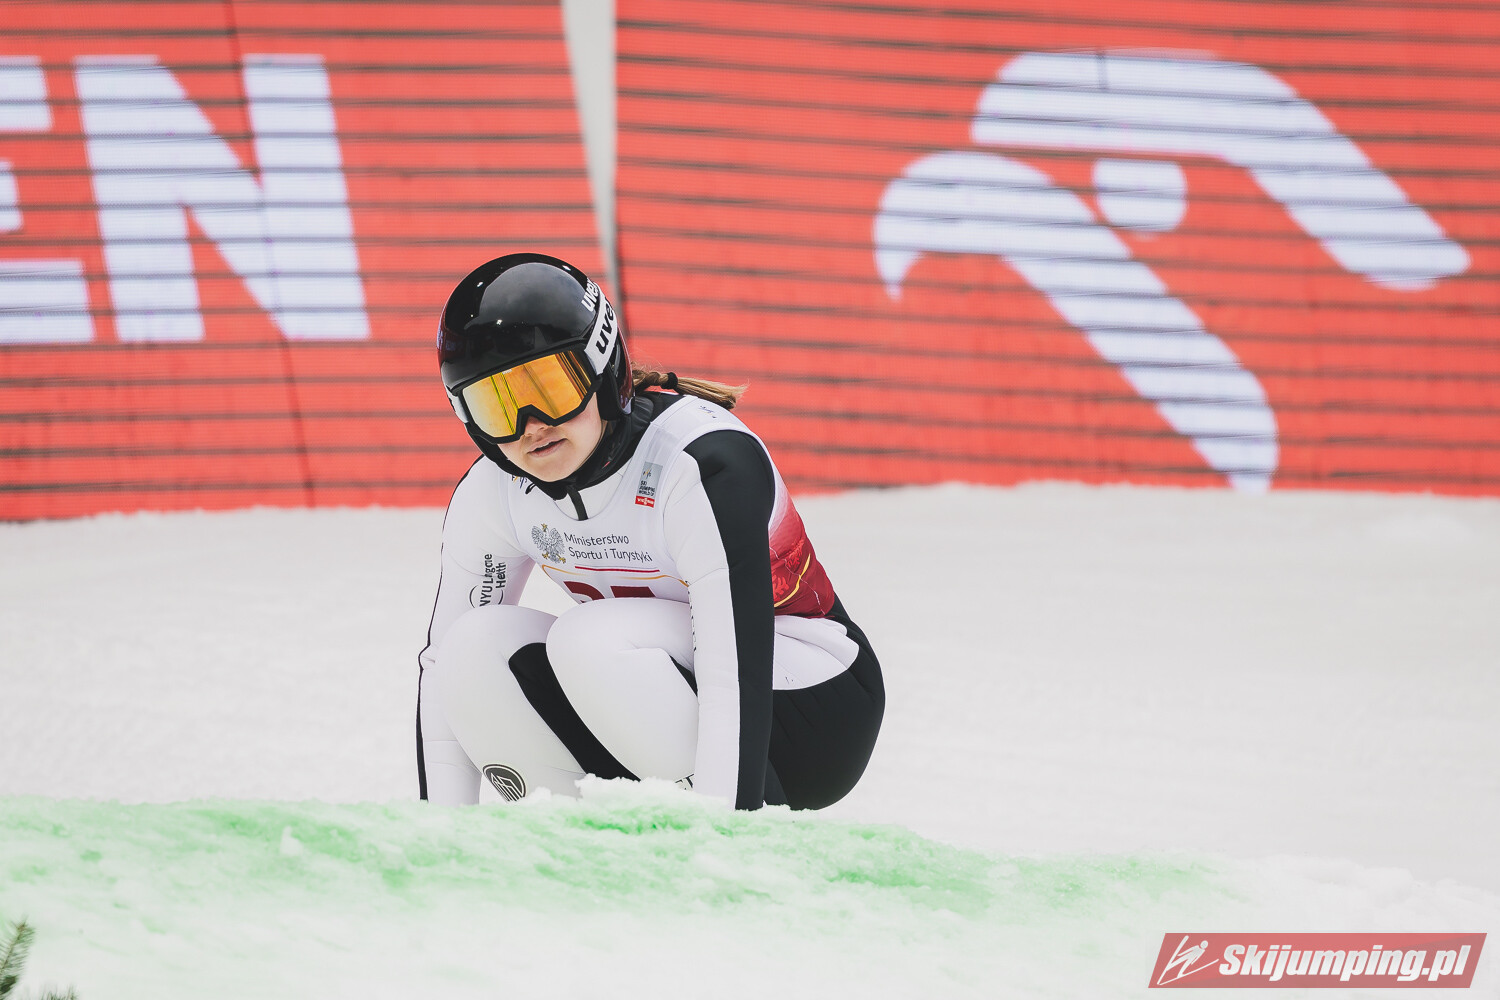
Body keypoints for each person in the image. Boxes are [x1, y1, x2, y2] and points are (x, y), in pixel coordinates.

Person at [416, 252, 884, 810]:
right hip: (650, 693)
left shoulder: (699, 463)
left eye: (551, 387)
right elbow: (440, 671)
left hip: (812, 709)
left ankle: (725, 831)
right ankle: (593, 846)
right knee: (471, 648)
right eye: (497, 404)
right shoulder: (493, 491)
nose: (530, 426)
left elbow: (732, 664)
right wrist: (438, 836)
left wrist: (735, 839)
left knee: (589, 640)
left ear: (601, 368)